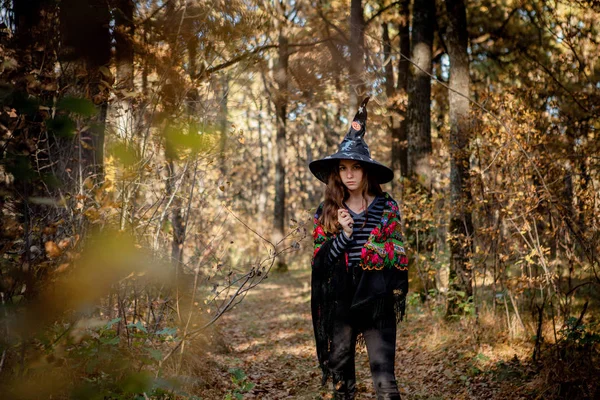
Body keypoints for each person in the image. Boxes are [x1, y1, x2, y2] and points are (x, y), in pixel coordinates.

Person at [309, 97, 409, 400]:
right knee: (343, 386)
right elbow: (320, 264)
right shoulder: (327, 212)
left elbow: (398, 256)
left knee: (385, 382)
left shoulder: (386, 207)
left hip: (376, 302)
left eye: (355, 167)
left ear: (366, 170)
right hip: (339, 304)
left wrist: (372, 251)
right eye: (342, 168)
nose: (348, 174)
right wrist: (345, 235)